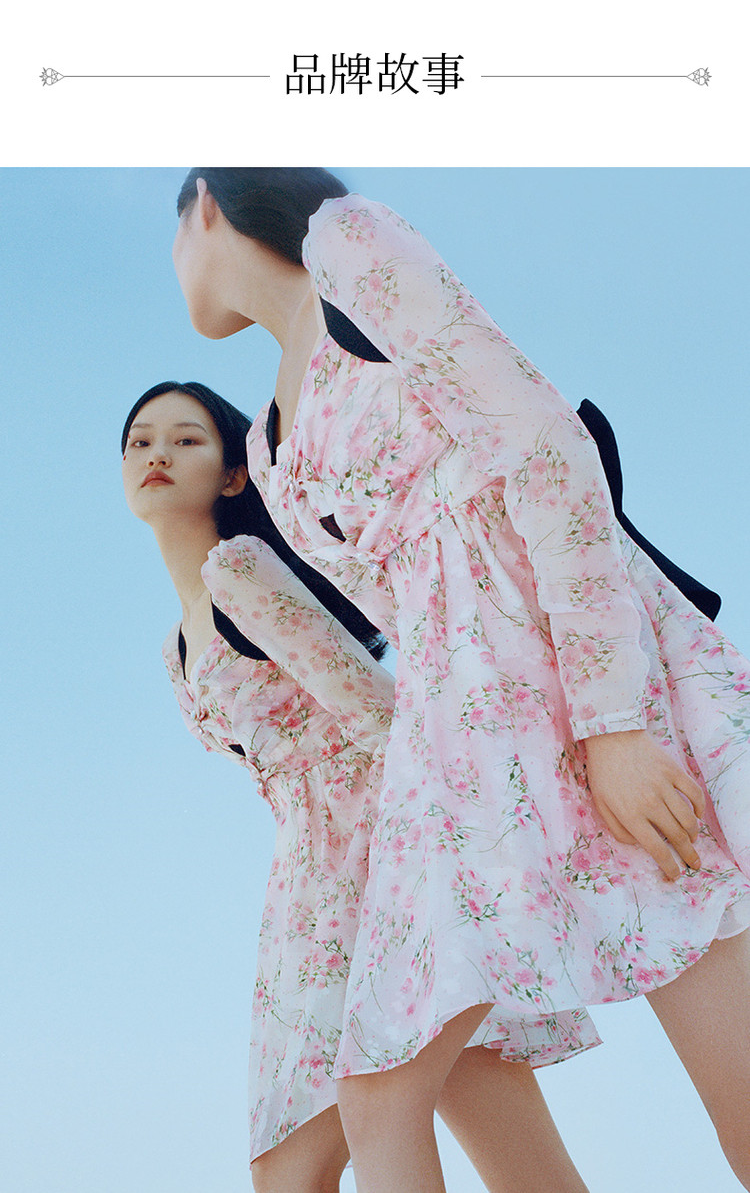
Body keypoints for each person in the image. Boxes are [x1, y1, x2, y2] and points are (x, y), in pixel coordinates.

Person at [170, 170, 750, 1193]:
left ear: (206, 204)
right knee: (380, 1084)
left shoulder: (350, 246)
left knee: (737, 1086)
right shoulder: (265, 443)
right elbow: (406, 615)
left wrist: (615, 724)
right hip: (460, 743)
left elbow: (546, 443)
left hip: (584, 681)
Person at [122, 380, 594, 1193]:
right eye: (139, 442)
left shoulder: (239, 572)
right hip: (309, 875)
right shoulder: (175, 647)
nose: (156, 453)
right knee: (517, 1160)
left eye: (186, 439)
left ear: (235, 474)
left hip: (379, 861)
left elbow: (383, 716)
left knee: (294, 1162)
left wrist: (461, 860)